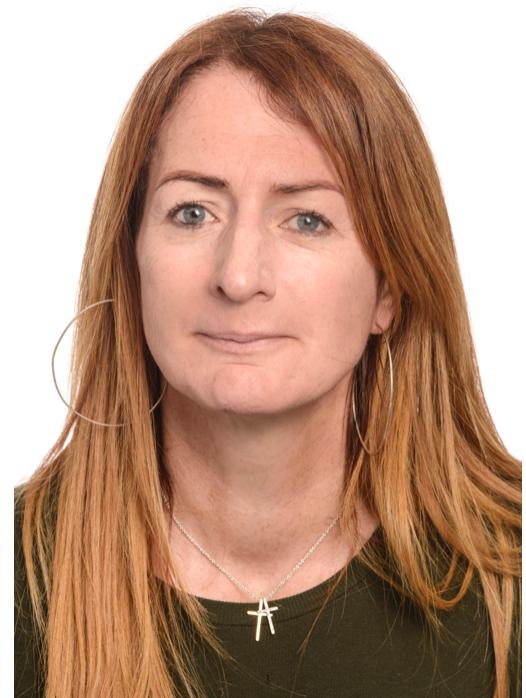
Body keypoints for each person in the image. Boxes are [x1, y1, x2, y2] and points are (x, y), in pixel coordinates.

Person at [14, 7, 521, 698]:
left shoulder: (508, 577)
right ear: (132, 261)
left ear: (389, 288)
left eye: (306, 219)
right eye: (193, 212)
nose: (239, 275)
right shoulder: (19, 577)